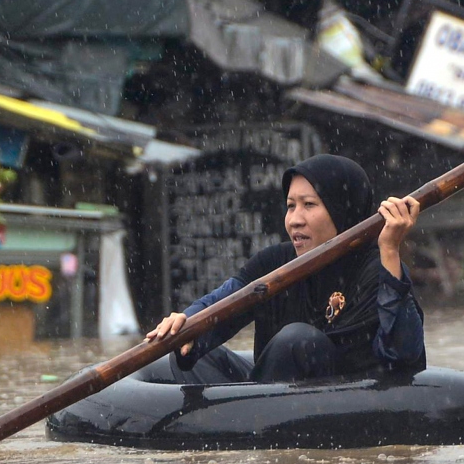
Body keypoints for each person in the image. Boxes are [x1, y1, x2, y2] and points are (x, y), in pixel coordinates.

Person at [146, 154, 425, 383]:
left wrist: (390, 249)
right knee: (195, 347)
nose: (294, 220)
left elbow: (401, 355)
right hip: (268, 395)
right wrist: (188, 322)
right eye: (291, 206)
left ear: (342, 209)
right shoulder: (275, 262)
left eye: (309, 205)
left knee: (297, 341)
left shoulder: (375, 266)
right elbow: (223, 302)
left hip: (341, 400)